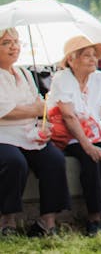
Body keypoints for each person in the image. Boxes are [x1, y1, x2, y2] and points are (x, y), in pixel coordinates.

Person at [47, 35, 101, 234]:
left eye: (94, 56)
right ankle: (94, 216)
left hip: (96, 133)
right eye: (86, 56)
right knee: (89, 160)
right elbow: (68, 116)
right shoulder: (62, 78)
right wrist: (87, 146)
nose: (93, 60)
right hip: (72, 135)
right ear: (71, 60)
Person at [0, 27, 70, 237]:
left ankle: (47, 221)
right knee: (14, 163)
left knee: (54, 160)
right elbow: (5, 111)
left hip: (28, 133)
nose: (14, 46)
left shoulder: (24, 73)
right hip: (3, 134)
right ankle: (6, 221)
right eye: (6, 43)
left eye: (16, 41)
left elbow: (40, 104)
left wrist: (43, 123)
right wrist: (35, 109)